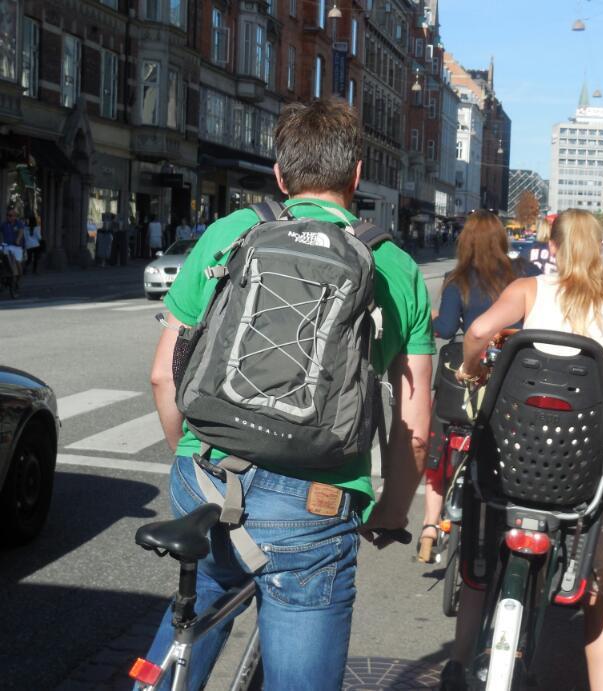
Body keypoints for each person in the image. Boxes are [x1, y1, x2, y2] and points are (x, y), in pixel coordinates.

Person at [145, 99, 435, 690]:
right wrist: (392, 508)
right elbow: (416, 423)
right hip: (314, 501)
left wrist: (188, 455)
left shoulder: (229, 233)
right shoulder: (396, 267)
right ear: (357, 176)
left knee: (200, 596)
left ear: (280, 175)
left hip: (205, 475)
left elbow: (163, 375)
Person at [443, 209, 603, 691]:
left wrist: (471, 370)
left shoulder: (528, 289)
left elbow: (477, 332)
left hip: (519, 447)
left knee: (482, 543)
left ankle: (458, 661)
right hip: (586, 451)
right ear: (600, 249)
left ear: (553, 248)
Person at [419, 210, 538, 563]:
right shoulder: (525, 273)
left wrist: (432, 319)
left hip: (468, 377)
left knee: (441, 440)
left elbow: (445, 330)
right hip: (513, 374)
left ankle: (429, 526)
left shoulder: (459, 279)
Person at [1, 207, 25, 275]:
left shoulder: (19, 223)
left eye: (10, 215)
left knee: (18, 262)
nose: (9, 217)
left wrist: (18, 240)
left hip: (17, 246)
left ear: (14, 216)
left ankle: (20, 276)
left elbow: (21, 232)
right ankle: (11, 275)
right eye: (8, 215)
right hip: (7, 245)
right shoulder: (4, 224)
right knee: (7, 260)